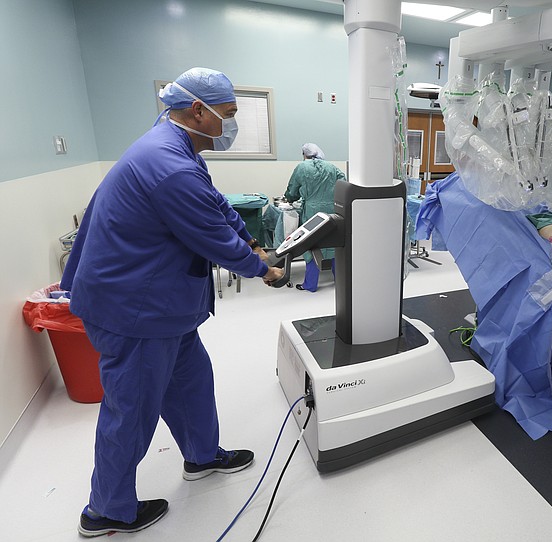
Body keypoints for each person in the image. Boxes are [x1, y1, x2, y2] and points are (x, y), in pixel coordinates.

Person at [61, 67, 284, 537]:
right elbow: (212, 238)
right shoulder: (170, 166)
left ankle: (202, 455)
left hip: (164, 306)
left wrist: (252, 239)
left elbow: (217, 206)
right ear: (198, 110)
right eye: (227, 115)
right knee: (132, 411)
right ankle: (106, 510)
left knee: (191, 383)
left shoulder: (176, 146)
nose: (230, 125)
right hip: (135, 310)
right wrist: (263, 268)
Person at [283, 143, 346, 291]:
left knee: (310, 246)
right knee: (334, 244)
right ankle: (340, 281)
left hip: (312, 213)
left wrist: (290, 198)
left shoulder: (302, 167)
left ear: (304, 154)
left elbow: (292, 190)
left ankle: (310, 284)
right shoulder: (333, 167)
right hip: (332, 211)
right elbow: (343, 184)